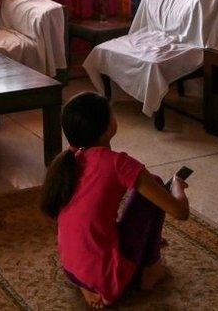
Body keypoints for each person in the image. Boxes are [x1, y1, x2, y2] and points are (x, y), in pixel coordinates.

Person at [40, 92, 190, 308]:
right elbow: (180, 212)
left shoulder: (72, 159)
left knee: (101, 222)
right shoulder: (117, 163)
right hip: (106, 277)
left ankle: (89, 283)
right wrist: (176, 185)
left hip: (73, 268)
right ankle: (151, 269)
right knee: (155, 185)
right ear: (108, 127)